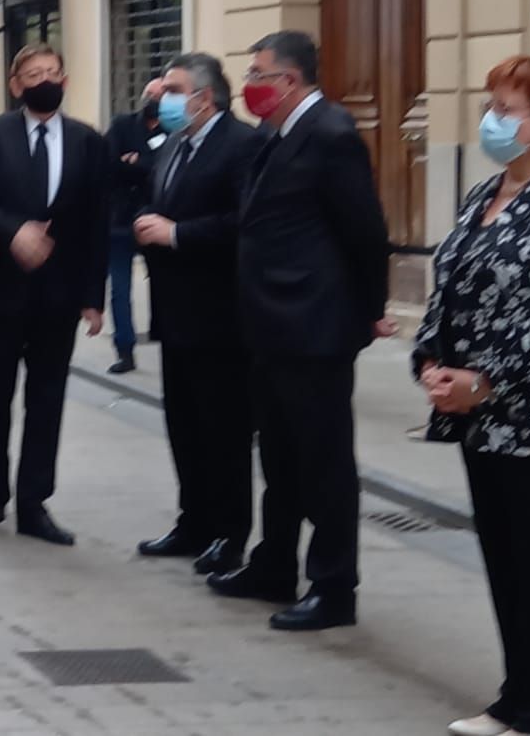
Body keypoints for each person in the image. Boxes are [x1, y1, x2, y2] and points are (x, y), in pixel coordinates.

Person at [206, 31, 391, 632]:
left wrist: (367, 312)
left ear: (288, 81)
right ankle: (274, 565)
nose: (251, 85)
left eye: (259, 74)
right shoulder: (274, 134)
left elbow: (364, 233)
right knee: (280, 458)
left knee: (324, 462)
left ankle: (334, 585)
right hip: (268, 324)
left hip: (314, 327)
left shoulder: (332, 134)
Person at [414, 55, 530, 736]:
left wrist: (488, 379)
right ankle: (518, 693)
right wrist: (432, 364)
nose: (492, 121)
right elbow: (448, 287)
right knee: (504, 557)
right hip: (475, 416)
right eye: (491, 106)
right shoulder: (483, 194)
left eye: (508, 110)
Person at [0, 44, 108, 544]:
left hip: (57, 296)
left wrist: (93, 295)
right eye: (32, 73)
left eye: (51, 72)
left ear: (64, 81)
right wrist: (14, 231)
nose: (43, 79)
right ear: (15, 83)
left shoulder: (87, 140)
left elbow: (95, 222)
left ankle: (34, 503)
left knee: (46, 401)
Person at [131, 54, 263, 575]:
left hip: (221, 316)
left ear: (204, 98)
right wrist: (146, 220)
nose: (162, 100)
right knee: (183, 425)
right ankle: (194, 522)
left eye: (173, 90)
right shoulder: (174, 146)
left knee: (224, 431)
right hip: (174, 313)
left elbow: (245, 221)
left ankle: (230, 535)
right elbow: (155, 200)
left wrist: (177, 234)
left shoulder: (242, 146)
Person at [104, 78, 164, 374]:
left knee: (164, 282)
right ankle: (124, 348)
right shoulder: (122, 125)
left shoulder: (174, 130)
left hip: (156, 217)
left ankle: (163, 333)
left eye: (161, 94)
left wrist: (138, 162)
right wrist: (145, 165)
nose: (154, 99)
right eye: (150, 94)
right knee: (120, 286)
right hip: (119, 219)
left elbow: (162, 168)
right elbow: (109, 164)